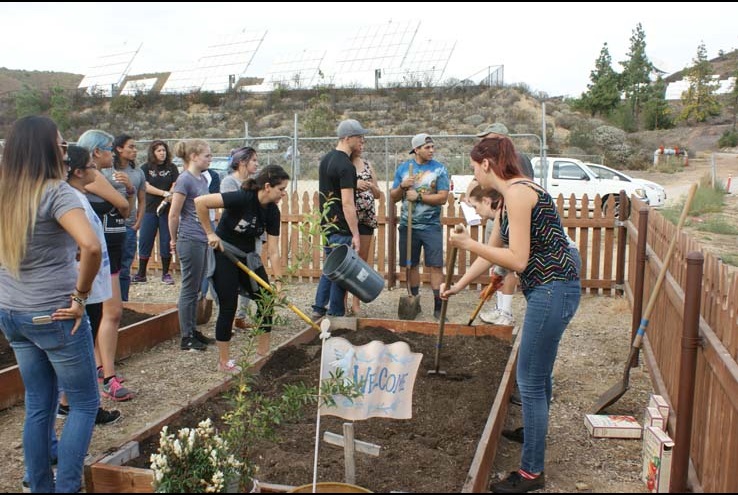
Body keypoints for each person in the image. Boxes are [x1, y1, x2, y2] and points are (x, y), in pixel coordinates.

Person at [441, 135, 581, 493]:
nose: (474, 174)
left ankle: (532, 473)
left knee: (529, 379)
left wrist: (466, 243)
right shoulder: (507, 201)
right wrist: (458, 286)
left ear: (487, 164)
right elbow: (491, 254)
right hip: (548, 290)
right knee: (539, 374)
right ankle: (534, 431)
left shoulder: (519, 193)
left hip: (553, 290)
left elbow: (517, 260)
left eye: (474, 167)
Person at [0, 116, 102, 493]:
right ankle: (68, 487)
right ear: (44, 148)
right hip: (56, 315)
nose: (64, 150)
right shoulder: (56, 192)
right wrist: (81, 297)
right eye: (60, 145)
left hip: (12, 313)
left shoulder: (5, 191)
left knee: (38, 405)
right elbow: (90, 246)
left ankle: (38, 486)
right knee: (84, 404)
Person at [195, 165, 289, 371]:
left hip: (248, 258)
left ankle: (263, 353)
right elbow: (200, 202)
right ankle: (223, 362)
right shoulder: (242, 198)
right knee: (229, 305)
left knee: (266, 299)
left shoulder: (272, 211)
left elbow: (273, 251)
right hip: (225, 254)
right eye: (281, 189)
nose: (283, 193)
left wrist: (279, 284)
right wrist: (210, 233)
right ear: (267, 186)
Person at [78, 129, 135, 402]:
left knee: (102, 314)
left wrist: (131, 191)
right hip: (96, 254)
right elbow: (121, 205)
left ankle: (101, 369)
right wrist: (123, 196)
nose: (114, 153)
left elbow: (127, 210)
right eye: (110, 148)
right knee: (110, 312)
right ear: (96, 152)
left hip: (111, 247)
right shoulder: (90, 177)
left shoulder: (104, 177)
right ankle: (108, 378)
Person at [475, 122, 534, 327]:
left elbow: (520, 191)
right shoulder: (493, 160)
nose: (483, 142)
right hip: (499, 216)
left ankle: (506, 312)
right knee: (495, 263)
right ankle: (500, 308)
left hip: (510, 218)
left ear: (501, 138)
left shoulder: (518, 160)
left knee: (507, 265)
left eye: (488, 138)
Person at [310, 119, 368, 319]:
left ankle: (319, 308)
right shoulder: (345, 165)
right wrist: (355, 233)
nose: (362, 140)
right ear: (347, 138)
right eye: (359, 136)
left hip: (327, 224)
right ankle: (336, 315)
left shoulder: (326, 159)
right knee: (341, 273)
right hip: (341, 227)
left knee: (330, 267)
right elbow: (347, 203)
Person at [390, 133, 450, 320]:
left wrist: (420, 197)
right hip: (408, 226)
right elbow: (393, 196)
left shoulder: (439, 169)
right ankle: (414, 302)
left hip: (431, 226)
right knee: (411, 265)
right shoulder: (403, 169)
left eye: (432, 147)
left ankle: (438, 307)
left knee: (436, 266)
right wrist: (402, 186)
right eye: (427, 147)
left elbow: (443, 197)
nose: (431, 150)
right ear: (416, 150)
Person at [168, 139, 216, 351]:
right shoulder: (184, 180)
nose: (210, 158)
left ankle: (192, 329)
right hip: (190, 239)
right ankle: (186, 337)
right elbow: (174, 213)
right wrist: (174, 239)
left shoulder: (202, 180)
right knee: (189, 288)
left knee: (197, 288)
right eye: (207, 155)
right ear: (194, 156)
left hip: (202, 238)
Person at [220, 146, 260, 330]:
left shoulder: (255, 183)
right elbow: (231, 209)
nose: (257, 164)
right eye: (253, 160)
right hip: (234, 239)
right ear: (242, 162)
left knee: (251, 275)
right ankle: (232, 316)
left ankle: (242, 316)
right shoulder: (229, 182)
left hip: (253, 237)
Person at [133, 140, 179, 285]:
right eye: (159, 150)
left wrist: (169, 195)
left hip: (166, 211)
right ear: (153, 152)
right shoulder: (145, 168)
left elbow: (175, 184)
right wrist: (164, 193)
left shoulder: (171, 168)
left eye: (164, 150)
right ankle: (141, 273)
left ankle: (166, 273)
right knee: (146, 240)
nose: (162, 153)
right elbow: (146, 186)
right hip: (150, 210)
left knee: (166, 241)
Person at [108, 134, 146, 301]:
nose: (135, 150)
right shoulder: (107, 170)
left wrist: (138, 222)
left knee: (125, 268)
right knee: (109, 267)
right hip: (109, 225)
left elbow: (142, 199)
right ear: (119, 148)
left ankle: (123, 302)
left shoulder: (137, 173)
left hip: (129, 226)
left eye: (135, 147)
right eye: (131, 146)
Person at [346, 141, 380, 316]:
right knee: (346, 262)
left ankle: (356, 303)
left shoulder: (367, 165)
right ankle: (342, 302)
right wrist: (355, 184)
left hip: (366, 220)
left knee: (362, 263)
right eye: (360, 142)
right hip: (349, 220)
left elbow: (378, 194)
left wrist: (372, 186)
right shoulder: (344, 164)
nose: (362, 145)